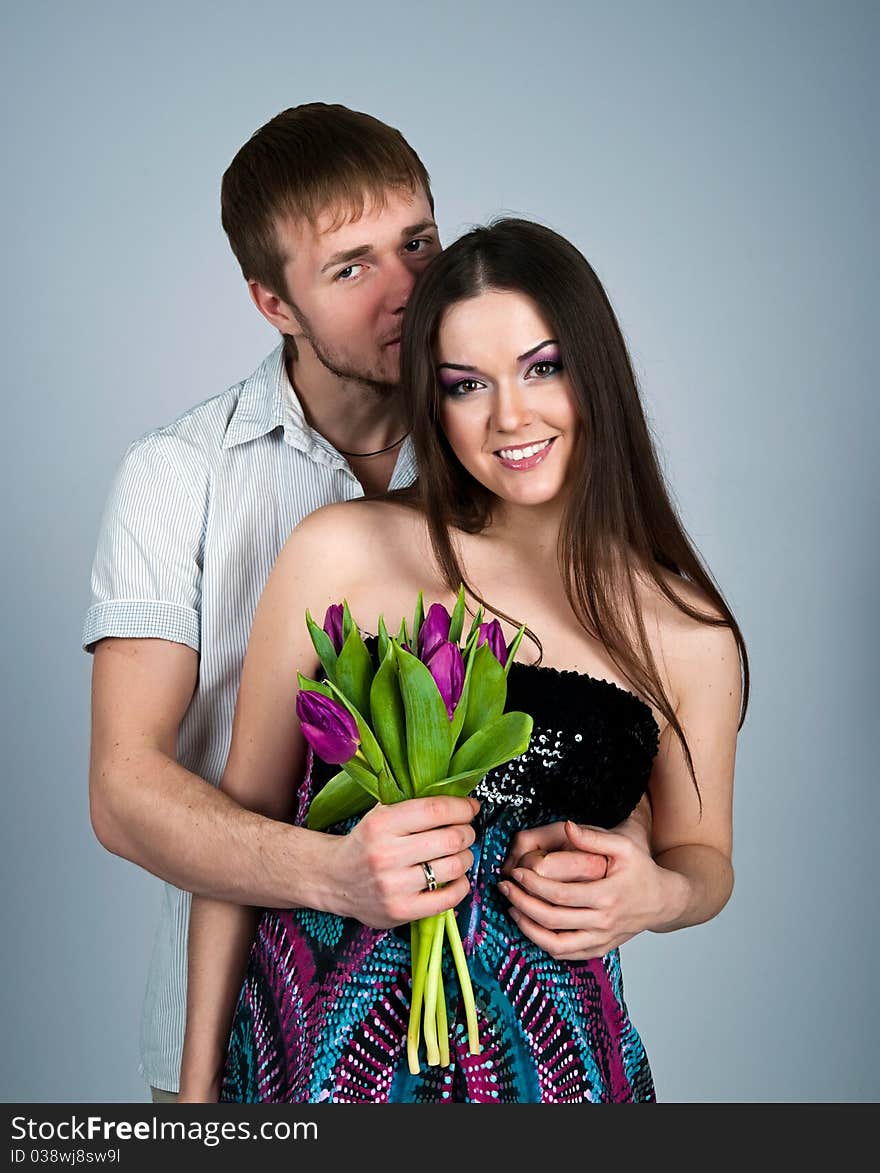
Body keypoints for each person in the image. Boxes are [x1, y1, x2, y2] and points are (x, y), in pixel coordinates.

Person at [83, 105, 628, 1101]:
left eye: (416, 242)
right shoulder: (180, 475)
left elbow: (601, 705)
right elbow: (123, 791)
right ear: (272, 303)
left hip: (484, 1040)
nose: (407, 290)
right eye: (349, 268)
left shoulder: (508, 454)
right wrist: (329, 876)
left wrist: (634, 867)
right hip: (243, 1023)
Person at [178, 218, 749, 1103]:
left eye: (542, 367)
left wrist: (659, 897)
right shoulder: (342, 554)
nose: (510, 416)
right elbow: (236, 835)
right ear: (432, 402)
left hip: (557, 1075)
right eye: (466, 385)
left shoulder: (686, 630)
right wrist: (195, 1097)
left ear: (594, 369)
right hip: (318, 1069)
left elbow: (704, 855)